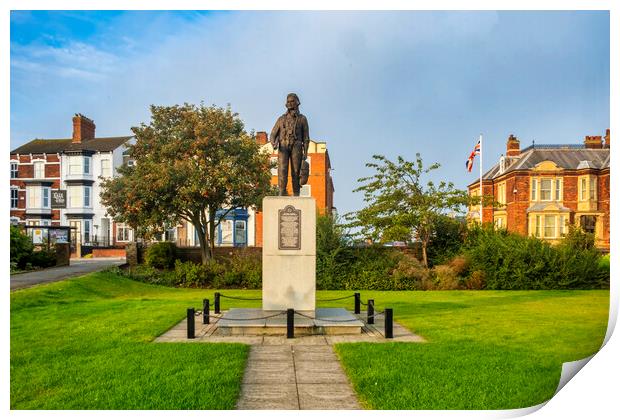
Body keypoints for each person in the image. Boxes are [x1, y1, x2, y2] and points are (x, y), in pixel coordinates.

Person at [269, 93, 310, 196]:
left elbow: (306, 137)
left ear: (297, 103)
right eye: (288, 101)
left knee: (296, 171)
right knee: (282, 169)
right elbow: (273, 133)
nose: (290, 103)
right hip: (283, 146)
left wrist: (305, 152)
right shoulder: (281, 119)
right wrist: (273, 142)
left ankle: (296, 193)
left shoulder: (302, 119)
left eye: (292, 101)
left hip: (296, 146)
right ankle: (281, 192)